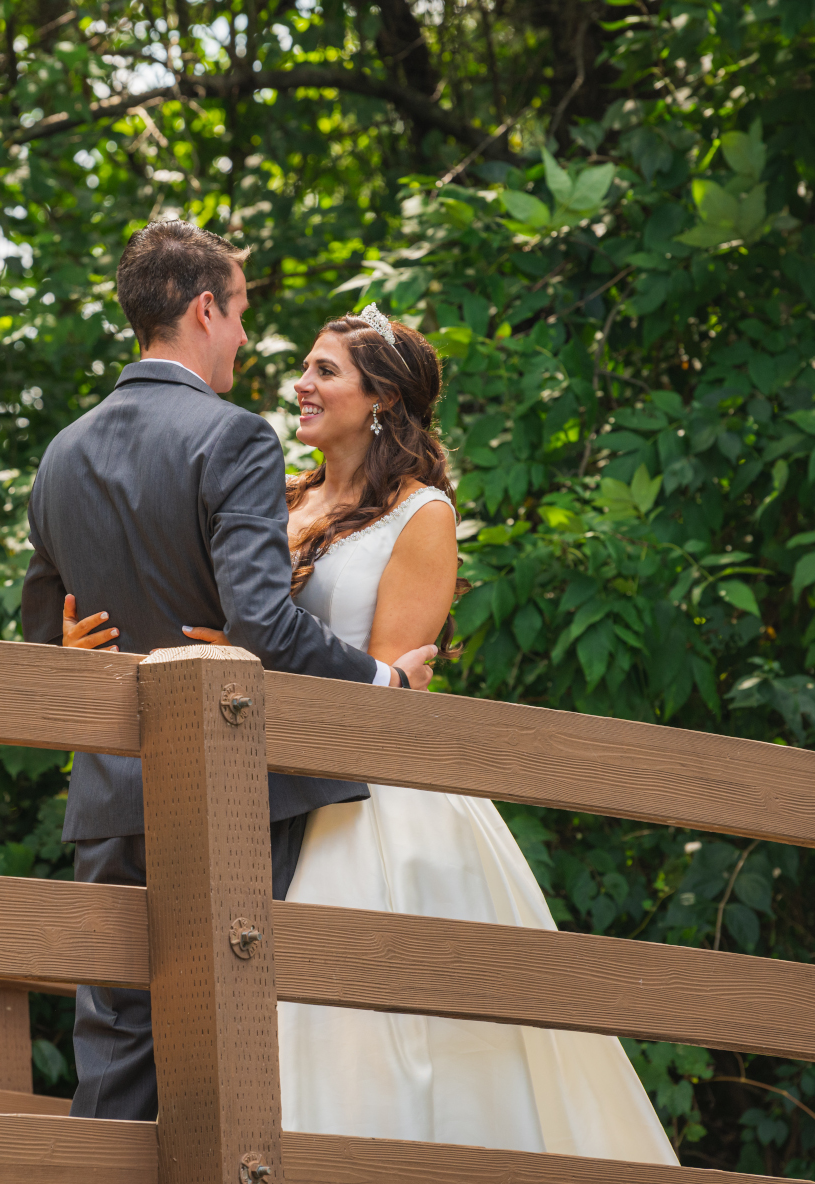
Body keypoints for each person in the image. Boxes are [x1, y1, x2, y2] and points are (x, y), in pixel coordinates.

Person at [62, 306, 678, 1163]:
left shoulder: (422, 516)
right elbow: (214, 628)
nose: (301, 387)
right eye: (305, 370)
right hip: (269, 790)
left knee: (373, 1035)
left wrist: (265, 663)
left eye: (324, 372)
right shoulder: (276, 500)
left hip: (370, 806)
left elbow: (389, 681)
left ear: (381, 398)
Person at [20, 221, 435, 1122]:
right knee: (231, 1050)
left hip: (107, 792)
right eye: (242, 312)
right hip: (228, 788)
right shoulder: (234, 439)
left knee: (120, 1049)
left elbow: (39, 643)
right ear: (205, 308)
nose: (247, 339)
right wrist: (381, 685)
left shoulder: (62, 453)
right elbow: (259, 623)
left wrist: (74, 662)